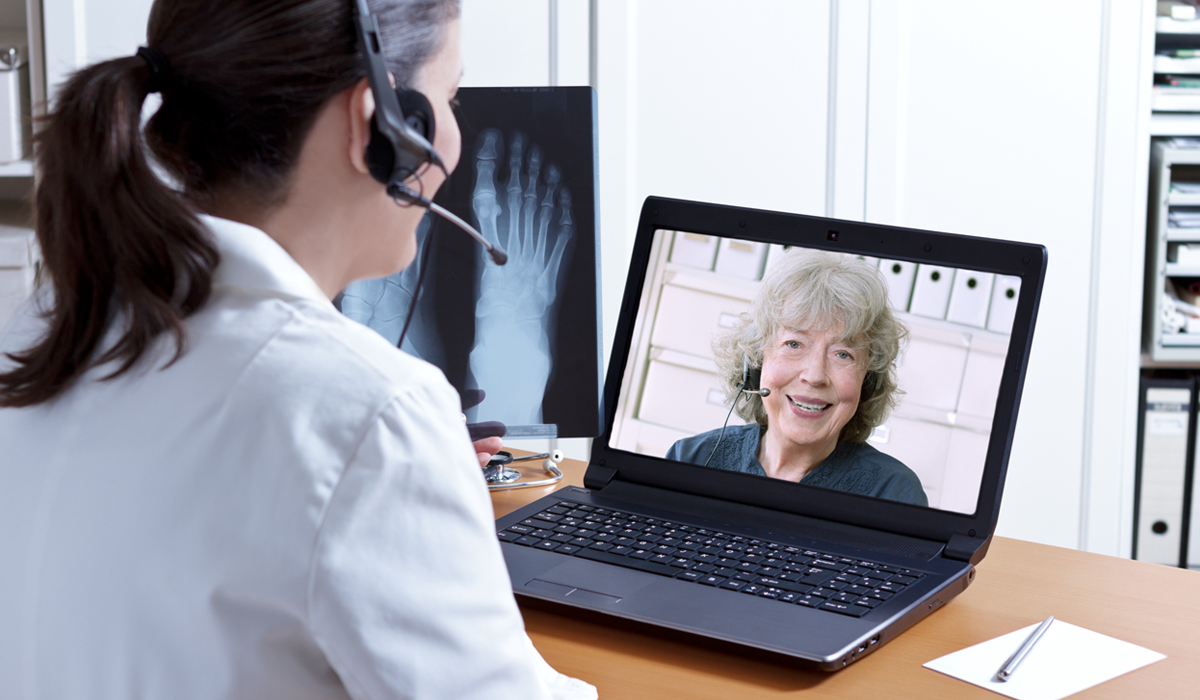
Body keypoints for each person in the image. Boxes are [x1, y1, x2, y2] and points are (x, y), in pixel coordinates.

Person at [0, 1, 595, 698]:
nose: (455, 138)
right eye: (450, 98)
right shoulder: (370, 413)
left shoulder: (41, 326)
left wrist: (407, 489)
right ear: (378, 124)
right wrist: (395, 466)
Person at [666, 249, 928, 507]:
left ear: (867, 381)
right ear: (755, 362)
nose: (815, 376)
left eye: (843, 354)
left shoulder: (893, 494)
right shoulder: (692, 458)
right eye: (794, 344)